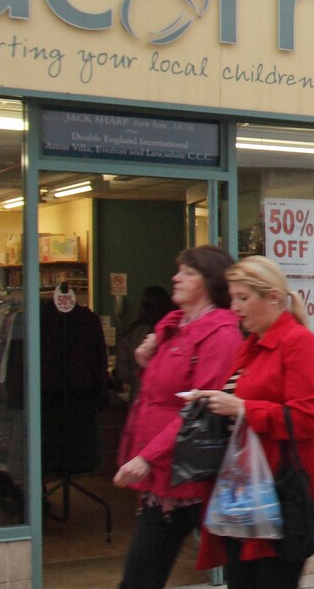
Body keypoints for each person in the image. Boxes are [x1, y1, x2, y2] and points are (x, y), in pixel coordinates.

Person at [187, 257, 314, 589]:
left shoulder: (299, 344)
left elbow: (308, 417)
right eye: (233, 298)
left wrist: (241, 407)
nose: (235, 308)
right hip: (247, 495)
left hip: (279, 495)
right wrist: (211, 401)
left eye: (243, 298)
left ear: (272, 297)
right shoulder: (253, 345)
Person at [112, 247, 243, 589]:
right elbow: (161, 395)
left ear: (210, 282)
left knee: (142, 575)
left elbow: (198, 407)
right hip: (167, 474)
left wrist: (146, 457)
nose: (176, 277)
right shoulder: (176, 329)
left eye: (188, 272)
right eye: (179, 270)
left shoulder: (220, 333)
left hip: (188, 475)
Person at [115, 286, 174, 403]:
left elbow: (123, 373)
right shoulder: (175, 331)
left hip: (139, 394)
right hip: (169, 396)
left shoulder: (130, 333)